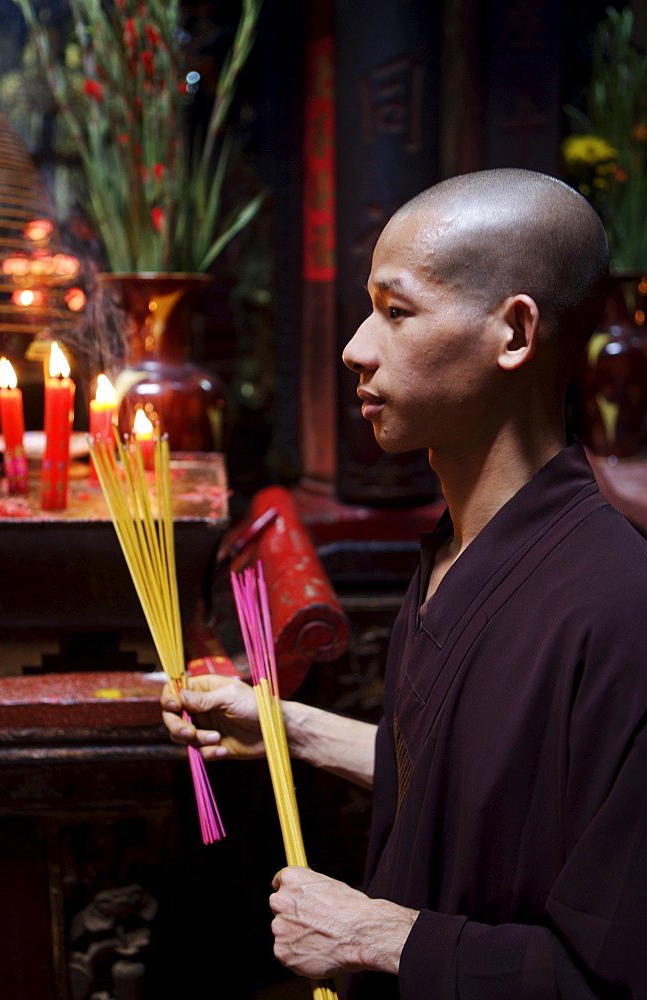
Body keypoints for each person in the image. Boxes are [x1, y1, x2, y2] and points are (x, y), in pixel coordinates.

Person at [162, 168, 647, 998]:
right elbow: (470, 785)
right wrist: (286, 728)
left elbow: (614, 974)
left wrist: (379, 936)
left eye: (396, 311)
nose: (356, 346)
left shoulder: (617, 609)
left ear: (515, 332)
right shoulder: (462, 549)